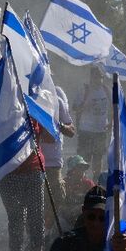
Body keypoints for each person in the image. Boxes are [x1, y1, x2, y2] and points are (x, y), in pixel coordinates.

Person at [0, 119, 46, 251]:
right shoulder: (5, 110)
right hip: (9, 173)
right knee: (16, 216)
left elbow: (51, 137)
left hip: (34, 168)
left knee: (36, 214)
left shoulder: (35, 108)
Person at [40, 86, 76, 229]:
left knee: (57, 198)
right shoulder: (29, 98)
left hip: (53, 163)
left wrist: (57, 124)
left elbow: (71, 131)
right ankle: (37, 235)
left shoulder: (58, 100)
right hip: (34, 162)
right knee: (36, 203)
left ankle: (47, 231)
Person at [73, 67, 109, 175]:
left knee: (98, 158)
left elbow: (112, 108)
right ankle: (81, 181)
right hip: (86, 130)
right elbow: (74, 108)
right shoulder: (84, 90)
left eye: (100, 77)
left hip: (100, 130)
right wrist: (84, 107)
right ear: (91, 77)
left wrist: (111, 122)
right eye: (96, 77)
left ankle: (96, 182)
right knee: (83, 159)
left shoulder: (107, 90)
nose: (98, 80)